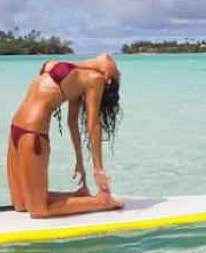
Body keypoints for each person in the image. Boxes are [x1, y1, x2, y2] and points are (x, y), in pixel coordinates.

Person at [7, 53, 123, 218]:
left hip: (32, 134)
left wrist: (98, 169)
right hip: (16, 129)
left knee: (38, 211)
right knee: (21, 204)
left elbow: (93, 125)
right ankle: (79, 197)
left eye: (116, 69)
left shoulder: (95, 79)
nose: (108, 56)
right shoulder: (77, 72)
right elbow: (72, 123)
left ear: (108, 78)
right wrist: (80, 163)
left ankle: (103, 201)